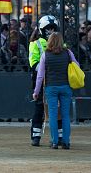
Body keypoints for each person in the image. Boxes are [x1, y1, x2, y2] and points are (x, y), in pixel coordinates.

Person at [33, 32, 78, 149]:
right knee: (65, 115)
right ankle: (66, 142)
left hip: (51, 88)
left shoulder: (45, 55)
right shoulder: (68, 53)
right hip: (66, 87)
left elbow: (40, 76)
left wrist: (36, 92)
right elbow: (76, 65)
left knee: (52, 115)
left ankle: (54, 142)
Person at [28, 14, 59, 146]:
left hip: (56, 80)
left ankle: (59, 136)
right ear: (42, 30)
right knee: (39, 107)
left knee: (57, 109)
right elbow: (32, 63)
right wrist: (45, 69)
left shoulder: (60, 44)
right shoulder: (35, 44)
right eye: (48, 29)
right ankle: (36, 136)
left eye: (53, 29)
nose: (50, 31)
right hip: (40, 81)